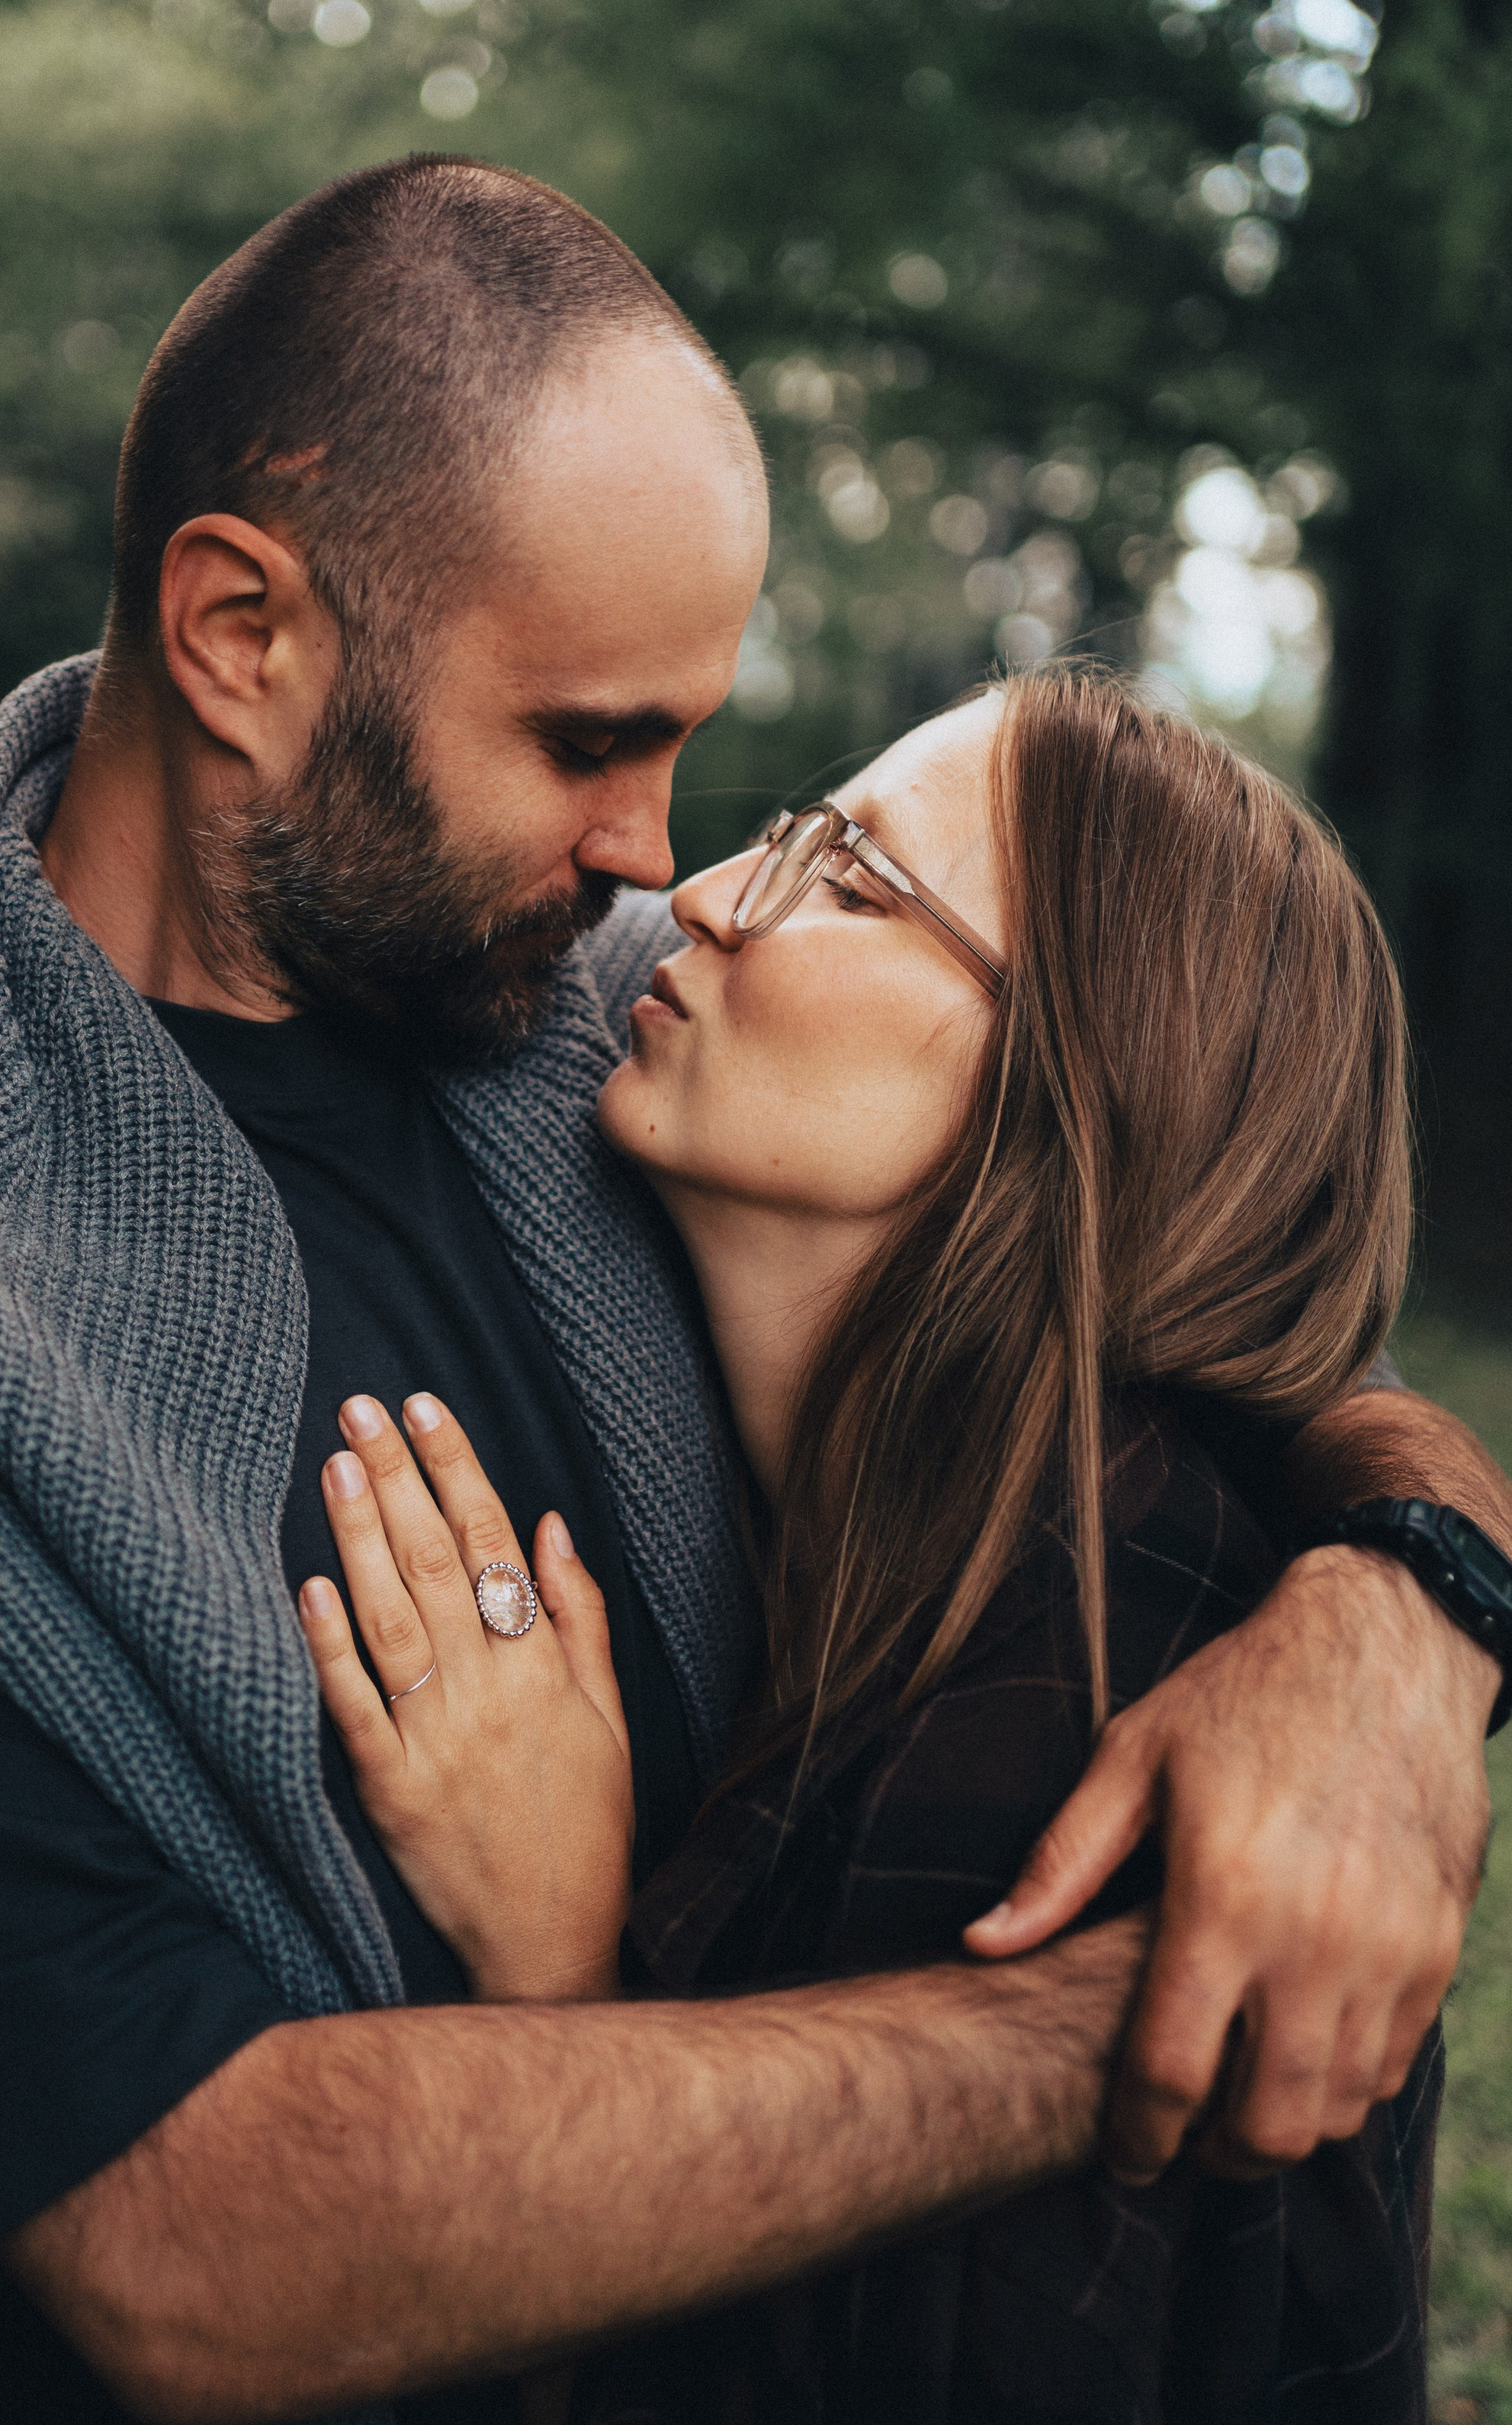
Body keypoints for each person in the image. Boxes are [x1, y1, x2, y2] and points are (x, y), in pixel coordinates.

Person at [0, 157, 1502, 2425]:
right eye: (586, 742)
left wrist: (1398, 1622)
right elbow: (195, 2258)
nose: (667, 862)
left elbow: (1186, 1283)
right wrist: (1147, 2018)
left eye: (688, 745)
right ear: (241, 637)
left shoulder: (618, 1016)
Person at [304, 664, 1470, 2420]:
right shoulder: (953, 1560)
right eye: (788, 837)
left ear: (1077, 1085)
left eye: (847, 882)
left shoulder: (1054, 1747)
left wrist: (555, 1972)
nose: (704, 897)